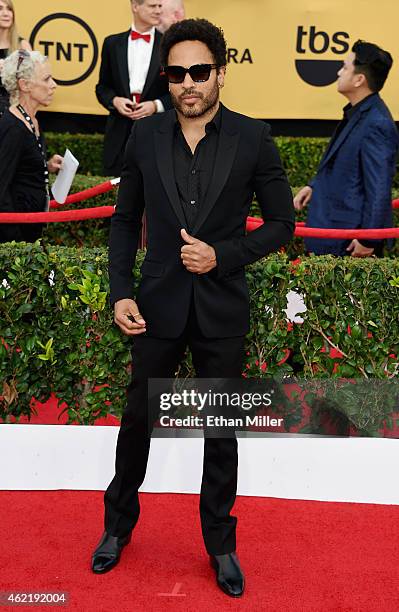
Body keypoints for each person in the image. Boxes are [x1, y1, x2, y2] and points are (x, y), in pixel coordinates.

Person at [91, 18, 295, 598]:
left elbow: (283, 224)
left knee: (220, 433)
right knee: (136, 425)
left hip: (220, 309)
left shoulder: (253, 137)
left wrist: (223, 255)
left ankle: (221, 545)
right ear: (167, 78)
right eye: (176, 73)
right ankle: (116, 528)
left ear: (221, 75)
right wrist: (120, 291)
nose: (187, 83)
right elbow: (126, 220)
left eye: (198, 71)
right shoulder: (145, 138)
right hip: (155, 304)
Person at [294, 40, 399, 257]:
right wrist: (314, 186)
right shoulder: (360, 112)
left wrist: (368, 240)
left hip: (346, 244)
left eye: (345, 67)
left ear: (359, 79)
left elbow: (378, 188)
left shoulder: (376, 122)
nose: (339, 71)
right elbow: (345, 165)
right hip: (333, 234)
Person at [96, 0, 172, 177]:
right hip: (118, 134)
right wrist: (115, 101)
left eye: (160, 6)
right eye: (152, 6)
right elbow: (102, 87)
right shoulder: (112, 44)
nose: (158, 10)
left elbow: (178, 91)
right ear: (135, 6)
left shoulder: (169, 46)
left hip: (157, 134)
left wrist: (155, 106)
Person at [0, 50, 63, 243]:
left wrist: (47, 165)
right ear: (24, 85)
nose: (53, 85)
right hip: (16, 238)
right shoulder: (13, 127)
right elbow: (1, 188)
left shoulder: (31, 120)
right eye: (46, 79)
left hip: (31, 228)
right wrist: (16, 243)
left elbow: (22, 168)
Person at [0, 0, 31, 115]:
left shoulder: (22, 46)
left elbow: (31, 82)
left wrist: (10, 70)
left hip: (15, 110)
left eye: (9, 9)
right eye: (0, 9)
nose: (6, 13)